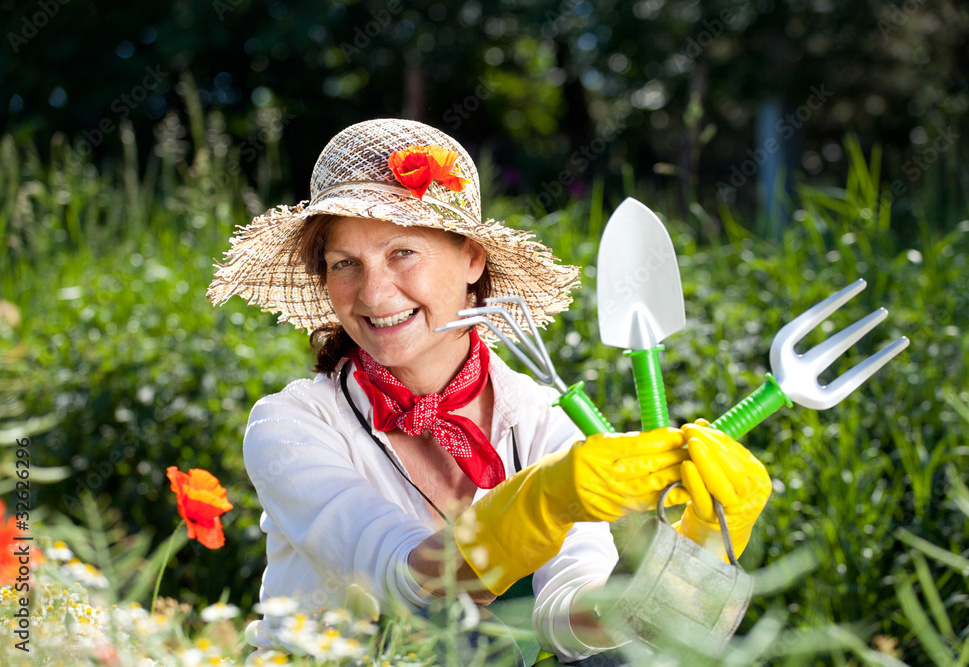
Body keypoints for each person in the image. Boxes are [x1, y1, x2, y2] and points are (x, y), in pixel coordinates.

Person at [207, 118, 772, 665]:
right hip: (334, 661)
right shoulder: (292, 425)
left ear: (471, 259)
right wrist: (537, 502)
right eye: (345, 264)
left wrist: (687, 559)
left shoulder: (539, 418)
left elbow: (570, 623)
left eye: (403, 252)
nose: (374, 293)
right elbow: (401, 581)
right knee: (463, 635)